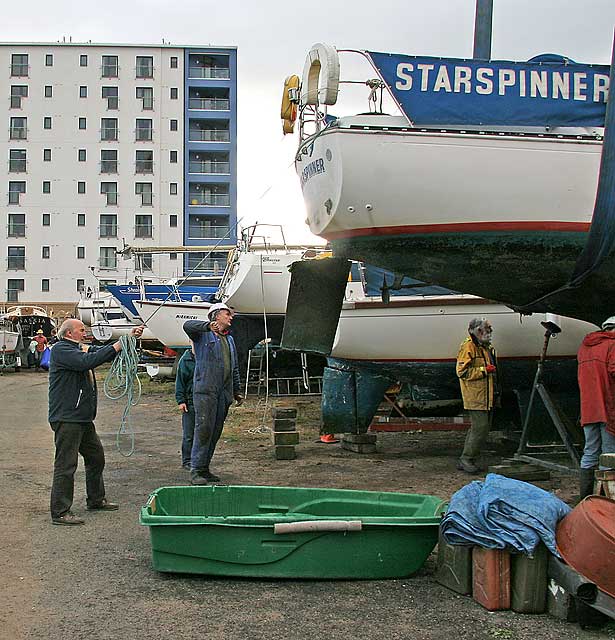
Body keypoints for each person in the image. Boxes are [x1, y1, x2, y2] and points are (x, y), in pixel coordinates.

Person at [48, 318, 144, 525]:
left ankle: (96, 499)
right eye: (81, 330)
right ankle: (60, 511)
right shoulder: (61, 350)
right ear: (68, 334)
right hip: (67, 418)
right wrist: (119, 345)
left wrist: (127, 339)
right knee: (66, 464)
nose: (85, 333)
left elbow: (96, 352)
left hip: (81, 418)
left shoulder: (78, 348)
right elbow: (88, 361)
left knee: (96, 457)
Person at [183, 303, 243, 485]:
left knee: (215, 431)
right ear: (216, 316)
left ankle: (204, 468)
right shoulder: (202, 335)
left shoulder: (229, 340)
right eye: (227, 314)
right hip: (205, 391)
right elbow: (187, 326)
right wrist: (206, 326)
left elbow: (233, 367)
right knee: (203, 430)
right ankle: (195, 469)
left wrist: (237, 390)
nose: (230, 317)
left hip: (223, 392)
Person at [577, 316, 615, 501]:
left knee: (590, 451)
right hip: (607, 407)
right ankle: (606, 501)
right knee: (609, 454)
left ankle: (585, 499)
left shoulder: (585, 347)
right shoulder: (612, 345)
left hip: (588, 408)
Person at [455, 318, 499, 474]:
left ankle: (467, 458)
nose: (489, 333)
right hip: (475, 395)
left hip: (485, 395)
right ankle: (467, 458)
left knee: (480, 428)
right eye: (487, 330)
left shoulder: (485, 347)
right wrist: (484, 370)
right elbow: (462, 372)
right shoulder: (469, 347)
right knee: (480, 428)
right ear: (478, 331)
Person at [175, 343, 196, 471]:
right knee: (189, 434)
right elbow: (180, 381)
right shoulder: (186, 360)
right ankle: (187, 460)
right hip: (190, 401)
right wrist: (181, 401)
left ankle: (198, 459)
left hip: (203, 401)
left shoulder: (206, 358)